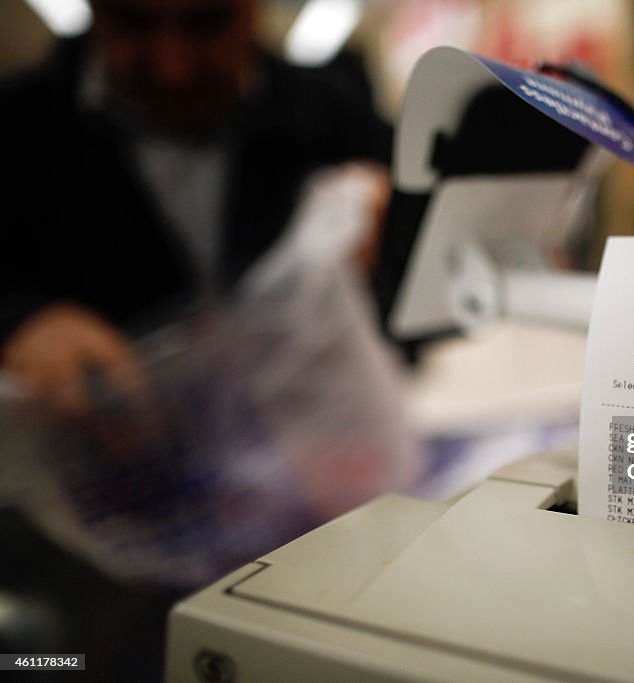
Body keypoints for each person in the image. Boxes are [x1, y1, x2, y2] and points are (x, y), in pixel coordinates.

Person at [0, 1, 416, 678]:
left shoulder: (328, 112)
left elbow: (420, 265)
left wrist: (390, 213)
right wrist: (20, 319)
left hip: (316, 527)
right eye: (134, 26)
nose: (172, 65)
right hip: (102, 551)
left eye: (206, 24)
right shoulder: (17, 124)